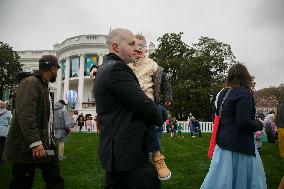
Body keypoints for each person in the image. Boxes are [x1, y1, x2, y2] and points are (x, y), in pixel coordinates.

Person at [94, 28, 162, 188]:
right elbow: (143, 105)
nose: (136, 48)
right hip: (128, 154)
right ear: (116, 47)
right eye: (131, 44)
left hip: (114, 151)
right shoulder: (118, 69)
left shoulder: (104, 68)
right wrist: (159, 115)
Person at [201, 63, 267, 189]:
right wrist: (259, 124)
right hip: (240, 147)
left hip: (222, 145)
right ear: (246, 77)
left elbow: (219, 116)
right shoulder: (244, 93)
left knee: (220, 182)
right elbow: (242, 123)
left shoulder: (221, 94)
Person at [4, 55, 64, 189]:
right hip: (27, 147)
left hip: (45, 145)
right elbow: (26, 116)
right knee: (21, 183)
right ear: (53, 68)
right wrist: (35, 143)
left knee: (55, 178)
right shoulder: (30, 83)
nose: (57, 73)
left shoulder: (43, 85)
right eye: (57, 70)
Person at [128, 34, 173, 180]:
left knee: (150, 120)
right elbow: (109, 66)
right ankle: (155, 155)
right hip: (133, 102)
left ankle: (157, 156)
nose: (139, 48)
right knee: (147, 126)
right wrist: (95, 68)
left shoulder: (153, 65)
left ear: (146, 49)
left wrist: (167, 97)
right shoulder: (127, 64)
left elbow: (165, 82)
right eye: (136, 45)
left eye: (142, 46)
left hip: (150, 102)